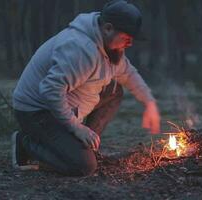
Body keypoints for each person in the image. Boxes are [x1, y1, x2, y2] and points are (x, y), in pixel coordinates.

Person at [11, 0, 161, 176]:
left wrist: (149, 102)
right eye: (127, 38)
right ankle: (25, 144)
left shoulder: (110, 45)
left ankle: (85, 146)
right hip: (37, 111)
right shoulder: (80, 50)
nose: (130, 44)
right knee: (84, 167)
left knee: (114, 92)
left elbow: (127, 73)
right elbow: (50, 91)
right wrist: (76, 127)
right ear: (108, 28)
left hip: (65, 104)